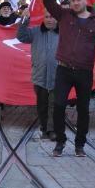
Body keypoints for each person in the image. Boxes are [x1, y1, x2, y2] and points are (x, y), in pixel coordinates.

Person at [42, 0, 95, 157]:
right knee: (58, 105)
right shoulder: (64, 15)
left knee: (83, 109)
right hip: (63, 70)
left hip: (84, 72)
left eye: (78, 0)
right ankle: (60, 142)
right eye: (72, 0)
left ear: (85, 1)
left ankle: (80, 144)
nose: (74, 3)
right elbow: (48, 2)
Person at [17, 8, 59, 141]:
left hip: (58, 75)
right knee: (42, 104)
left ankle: (52, 129)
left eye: (52, 17)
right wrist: (24, 19)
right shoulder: (35, 31)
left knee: (54, 103)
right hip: (39, 74)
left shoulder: (64, 32)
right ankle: (44, 127)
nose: (49, 19)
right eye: (47, 17)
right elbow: (21, 36)